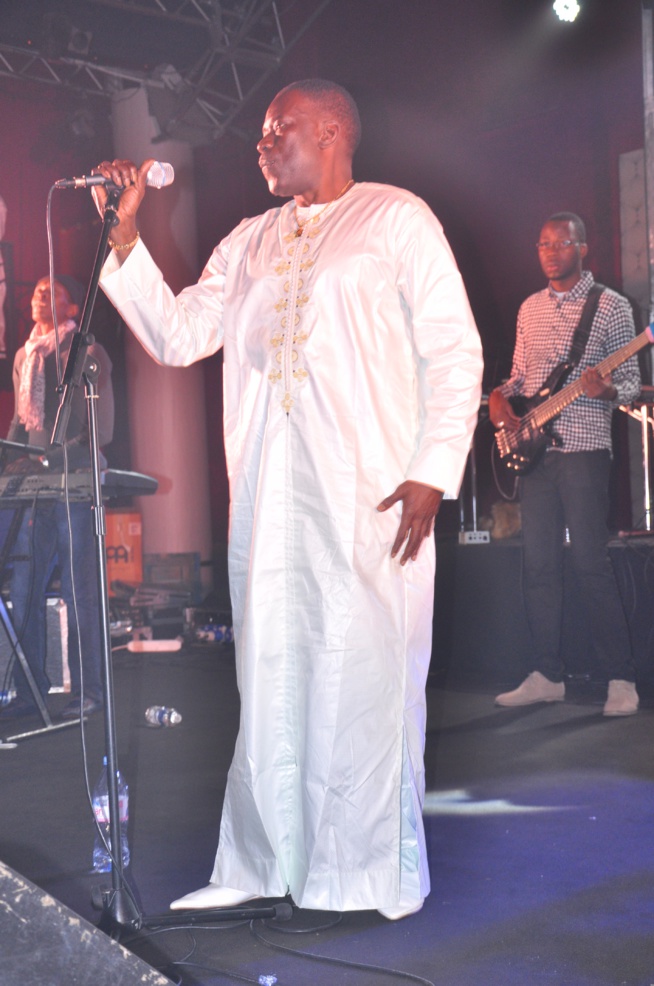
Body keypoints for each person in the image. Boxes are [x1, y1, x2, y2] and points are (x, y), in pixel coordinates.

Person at [94, 78, 483, 920]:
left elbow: (454, 350)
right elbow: (180, 332)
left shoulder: (396, 219)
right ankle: (261, 862)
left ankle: (374, 873)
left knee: (369, 676)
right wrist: (124, 237)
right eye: (263, 134)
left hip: (373, 493)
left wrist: (433, 467)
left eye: (280, 130)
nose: (262, 144)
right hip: (271, 499)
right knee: (270, 671)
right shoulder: (249, 239)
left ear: (335, 129)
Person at [489, 212, 641, 717]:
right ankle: (546, 674)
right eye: (543, 243)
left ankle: (621, 678)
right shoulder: (529, 308)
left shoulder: (612, 307)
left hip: (584, 449)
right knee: (539, 566)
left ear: (583, 248)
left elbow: (631, 385)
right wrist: (497, 398)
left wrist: (606, 390)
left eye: (561, 243)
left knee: (590, 564)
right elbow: (519, 376)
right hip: (538, 453)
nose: (551, 252)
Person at [0, 276, 114, 720]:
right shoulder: (26, 356)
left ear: (72, 308)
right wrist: (10, 460)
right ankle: (30, 691)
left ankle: (89, 693)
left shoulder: (86, 352)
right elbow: (19, 423)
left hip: (75, 483)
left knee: (78, 590)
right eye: (37, 290)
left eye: (53, 291)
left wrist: (48, 461)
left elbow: (100, 430)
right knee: (25, 591)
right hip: (35, 492)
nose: (40, 295)